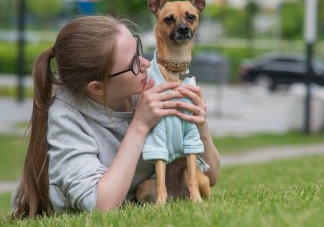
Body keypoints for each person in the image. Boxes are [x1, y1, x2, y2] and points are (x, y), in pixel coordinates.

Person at [12, 15, 220, 218]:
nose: (146, 64)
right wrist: (140, 125)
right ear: (97, 87)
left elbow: (210, 176)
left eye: (139, 50)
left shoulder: (144, 89)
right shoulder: (66, 117)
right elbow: (102, 205)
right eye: (133, 65)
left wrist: (199, 125)